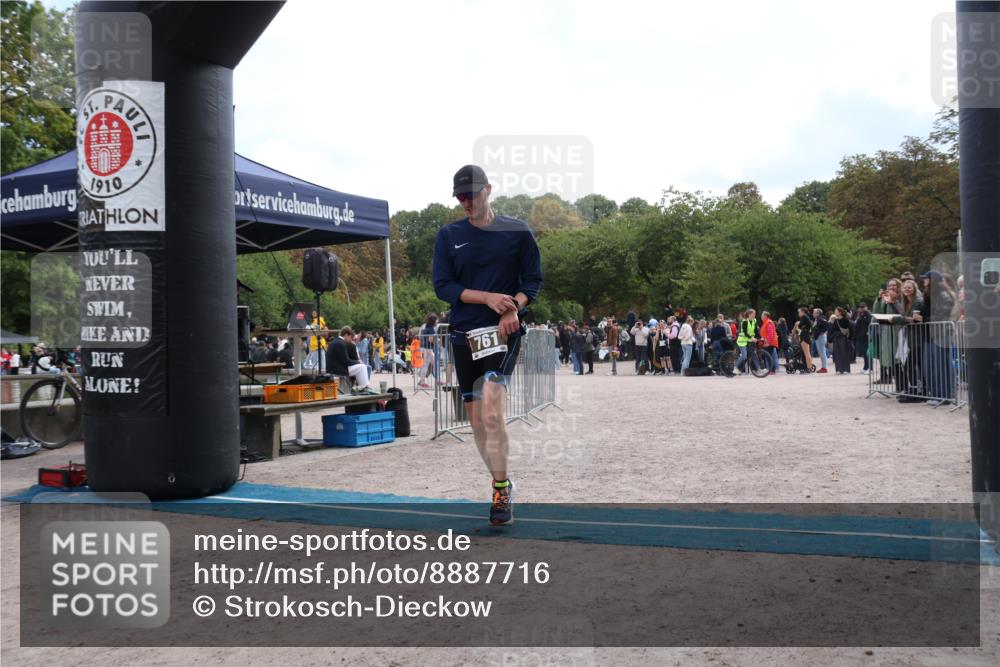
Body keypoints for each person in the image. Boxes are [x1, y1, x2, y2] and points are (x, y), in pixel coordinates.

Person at [432, 164, 542, 526]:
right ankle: (499, 478)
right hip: (464, 334)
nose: (466, 201)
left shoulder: (517, 231)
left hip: (502, 333)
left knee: (493, 410)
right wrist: (487, 297)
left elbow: (532, 281)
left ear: (489, 190)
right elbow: (443, 286)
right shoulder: (449, 235)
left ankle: (500, 489)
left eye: (472, 194)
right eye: (460, 196)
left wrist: (513, 308)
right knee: (478, 421)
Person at [327, 326, 376, 393]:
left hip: (333, 368)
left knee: (361, 366)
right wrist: (358, 362)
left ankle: (363, 386)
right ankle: (364, 387)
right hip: (337, 370)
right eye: (350, 337)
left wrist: (356, 362)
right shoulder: (341, 343)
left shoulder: (335, 342)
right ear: (346, 335)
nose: (351, 340)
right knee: (362, 366)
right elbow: (347, 361)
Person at [829, 306, 854, 374]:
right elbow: (832, 330)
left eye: (836, 311)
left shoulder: (845, 320)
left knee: (844, 354)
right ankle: (838, 369)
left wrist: (849, 338)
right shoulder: (835, 320)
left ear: (840, 312)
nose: (835, 312)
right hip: (836, 338)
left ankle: (846, 369)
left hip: (843, 338)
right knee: (837, 354)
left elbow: (851, 329)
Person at [735, 308, 760, 374]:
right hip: (742, 341)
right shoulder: (745, 321)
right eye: (753, 314)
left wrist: (760, 337)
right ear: (749, 314)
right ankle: (736, 368)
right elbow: (745, 332)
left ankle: (758, 369)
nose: (755, 315)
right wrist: (752, 338)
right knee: (744, 356)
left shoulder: (754, 320)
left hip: (749, 341)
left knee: (753, 354)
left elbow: (755, 331)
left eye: (755, 314)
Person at [418, 314, 438, 388]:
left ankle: (422, 381)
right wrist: (437, 341)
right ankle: (422, 381)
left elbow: (421, 337)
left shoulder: (425, 327)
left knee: (427, 365)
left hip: (424, 348)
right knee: (426, 365)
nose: (437, 321)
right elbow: (431, 340)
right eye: (436, 320)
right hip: (428, 348)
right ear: (434, 321)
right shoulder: (431, 329)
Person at [854, 302, 873, 373]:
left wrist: (866, 312)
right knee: (864, 353)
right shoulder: (860, 315)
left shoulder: (868, 315)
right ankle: (865, 367)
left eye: (863, 307)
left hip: (866, 336)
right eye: (860, 307)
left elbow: (869, 322)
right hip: (860, 336)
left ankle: (870, 368)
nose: (861, 309)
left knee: (867, 353)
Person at [760, 311, 779, 375]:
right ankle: (771, 370)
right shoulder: (766, 322)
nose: (761, 317)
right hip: (768, 342)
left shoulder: (768, 323)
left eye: (762, 316)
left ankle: (772, 371)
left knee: (769, 356)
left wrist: (768, 342)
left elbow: (770, 333)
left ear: (765, 316)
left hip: (770, 343)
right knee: (769, 356)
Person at [811, 308, 830, 373]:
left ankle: (824, 368)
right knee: (821, 353)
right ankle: (823, 367)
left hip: (820, 337)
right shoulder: (818, 319)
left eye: (814, 312)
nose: (812, 314)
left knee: (822, 353)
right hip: (819, 337)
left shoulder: (821, 319)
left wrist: (822, 332)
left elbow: (827, 325)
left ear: (818, 313)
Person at [797, 307, 815, 374]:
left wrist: (804, 328)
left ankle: (808, 368)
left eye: (799, 312)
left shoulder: (804, 317)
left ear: (803, 311)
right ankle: (809, 367)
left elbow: (808, 324)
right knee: (807, 353)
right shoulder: (805, 317)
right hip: (805, 335)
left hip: (805, 336)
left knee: (806, 353)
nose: (798, 313)